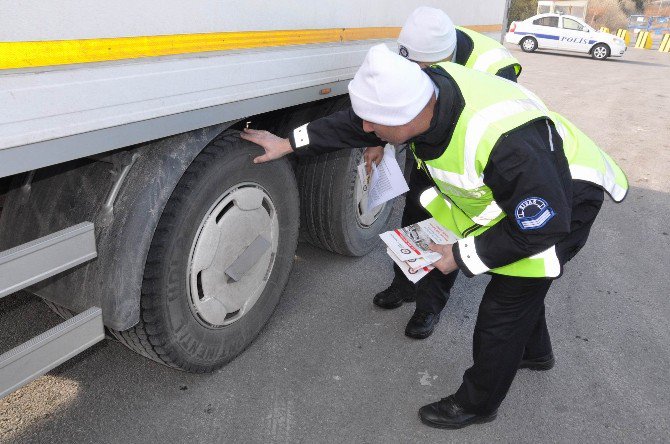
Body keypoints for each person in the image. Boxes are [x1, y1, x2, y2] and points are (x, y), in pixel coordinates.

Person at [241, 44, 627, 429]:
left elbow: (542, 226)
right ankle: (535, 352)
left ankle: (479, 403)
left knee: (506, 306)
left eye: (376, 124)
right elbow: (353, 124)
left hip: (564, 197)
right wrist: (288, 143)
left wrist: (460, 255)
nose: (368, 131)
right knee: (524, 289)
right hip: (527, 187)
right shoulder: (422, 92)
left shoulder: (506, 143)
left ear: (411, 114)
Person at [363, 7, 523, 338]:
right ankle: (404, 284)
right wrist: (377, 140)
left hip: (465, 170)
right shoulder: (421, 45)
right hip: (430, 159)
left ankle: (428, 307)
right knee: (413, 222)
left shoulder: (494, 66)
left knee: (443, 233)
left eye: (423, 70)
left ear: (445, 57)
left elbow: (498, 128)